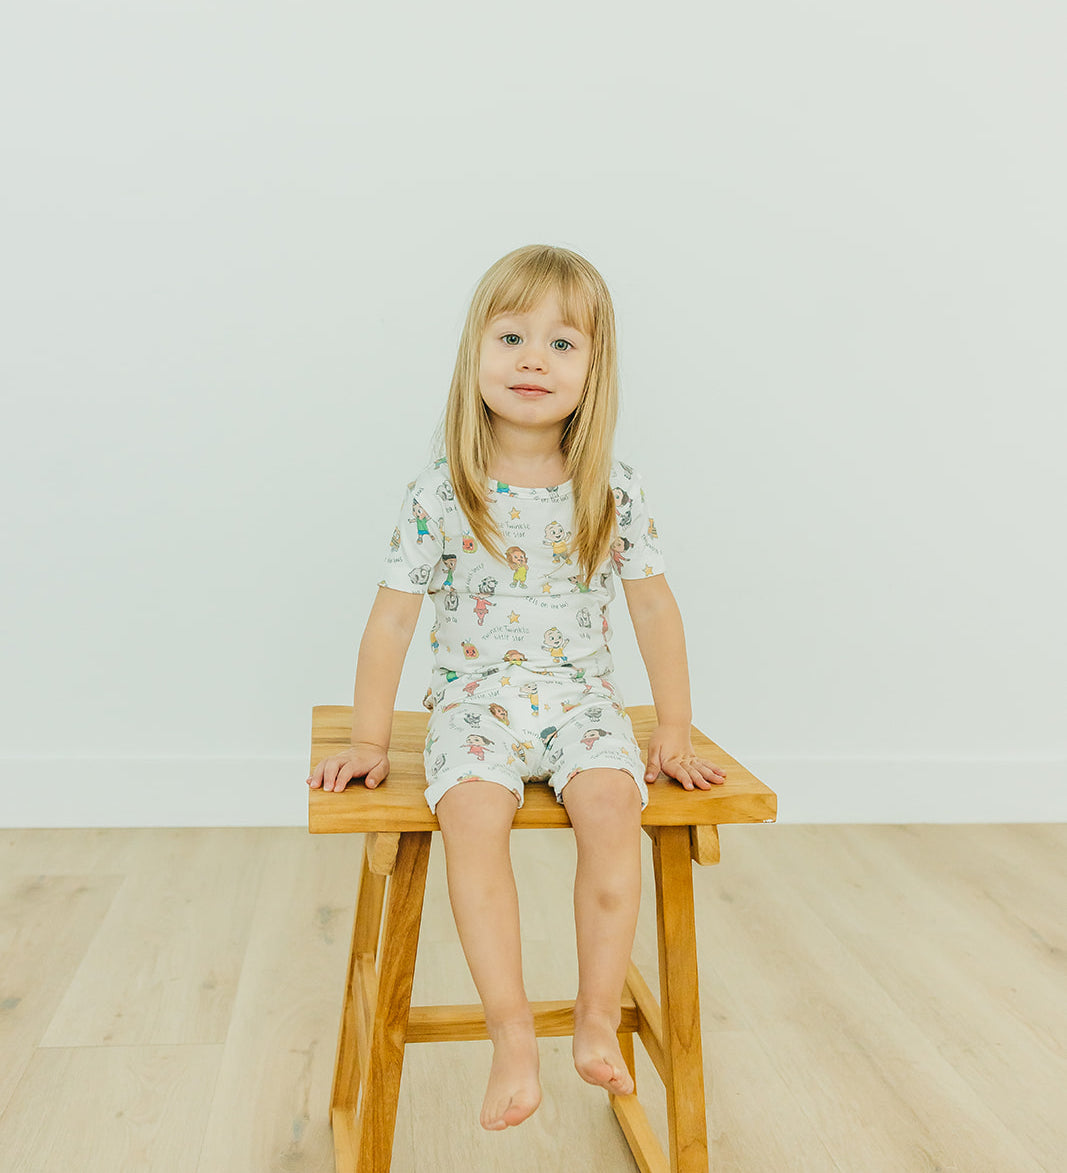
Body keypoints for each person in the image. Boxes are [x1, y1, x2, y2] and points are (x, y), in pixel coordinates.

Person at [307, 244, 726, 1132]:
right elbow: (392, 621)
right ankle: (510, 1032)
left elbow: (654, 608)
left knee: (612, 806)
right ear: (476, 352)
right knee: (470, 817)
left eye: (561, 343)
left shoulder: (610, 489)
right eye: (511, 337)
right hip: (473, 704)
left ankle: (592, 1015)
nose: (533, 358)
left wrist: (674, 728)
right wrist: (370, 740)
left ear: (594, 370)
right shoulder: (441, 491)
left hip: (580, 702)